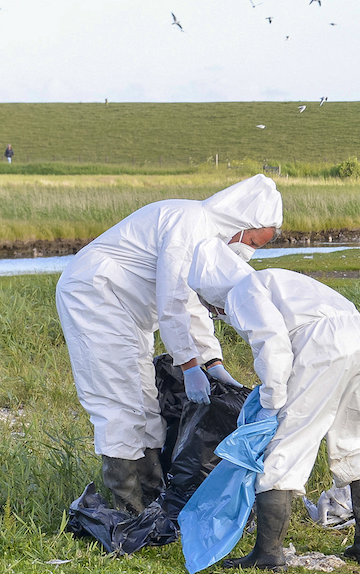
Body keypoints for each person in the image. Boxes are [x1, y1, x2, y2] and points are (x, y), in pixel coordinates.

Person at [54, 174, 282, 513]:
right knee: (118, 402)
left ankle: (152, 501)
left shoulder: (205, 242)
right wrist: (190, 367)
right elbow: (173, 300)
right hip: (95, 296)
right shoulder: (188, 223)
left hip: (126, 311)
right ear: (239, 221)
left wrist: (213, 363)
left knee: (145, 404)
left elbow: (192, 304)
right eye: (252, 241)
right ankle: (127, 510)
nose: (248, 251)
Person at [187, 237, 360, 569]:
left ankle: (268, 554)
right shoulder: (276, 278)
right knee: (356, 441)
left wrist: (272, 400)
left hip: (323, 347)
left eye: (206, 303)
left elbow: (273, 344)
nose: (210, 311)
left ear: (211, 287)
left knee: (285, 448)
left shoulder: (242, 291)